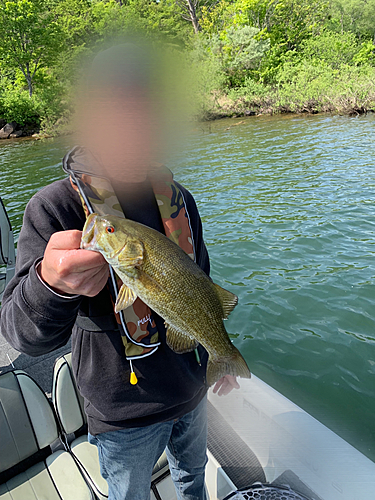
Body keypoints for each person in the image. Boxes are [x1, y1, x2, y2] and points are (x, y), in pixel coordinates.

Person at [0, 44, 239, 500]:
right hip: (122, 410)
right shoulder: (55, 208)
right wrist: (50, 286)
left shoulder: (180, 200)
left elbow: (200, 286)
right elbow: (20, 335)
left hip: (190, 392)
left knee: (192, 479)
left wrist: (218, 354)